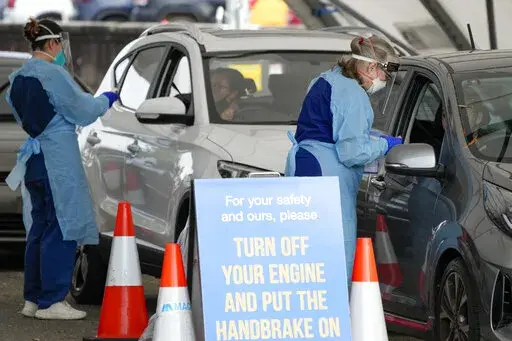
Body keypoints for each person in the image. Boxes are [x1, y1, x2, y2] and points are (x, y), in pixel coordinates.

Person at [4, 17, 119, 320]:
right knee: (61, 227)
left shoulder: (17, 78)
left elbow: (21, 113)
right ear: (53, 43)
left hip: (34, 161)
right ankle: (52, 301)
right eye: (60, 45)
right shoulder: (53, 74)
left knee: (39, 229)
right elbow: (82, 111)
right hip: (58, 160)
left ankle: (32, 299)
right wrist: (106, 99)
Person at [284, 35, 403, 291]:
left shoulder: (326, 79)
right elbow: (352, 152)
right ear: (372, 67)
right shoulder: (353, 94)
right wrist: (385, 145)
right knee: (335, 253)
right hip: (326, 176)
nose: (385, 80)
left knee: (305, 252)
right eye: (385, 72)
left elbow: (328, 127)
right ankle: (334, 316)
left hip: (305, 166)